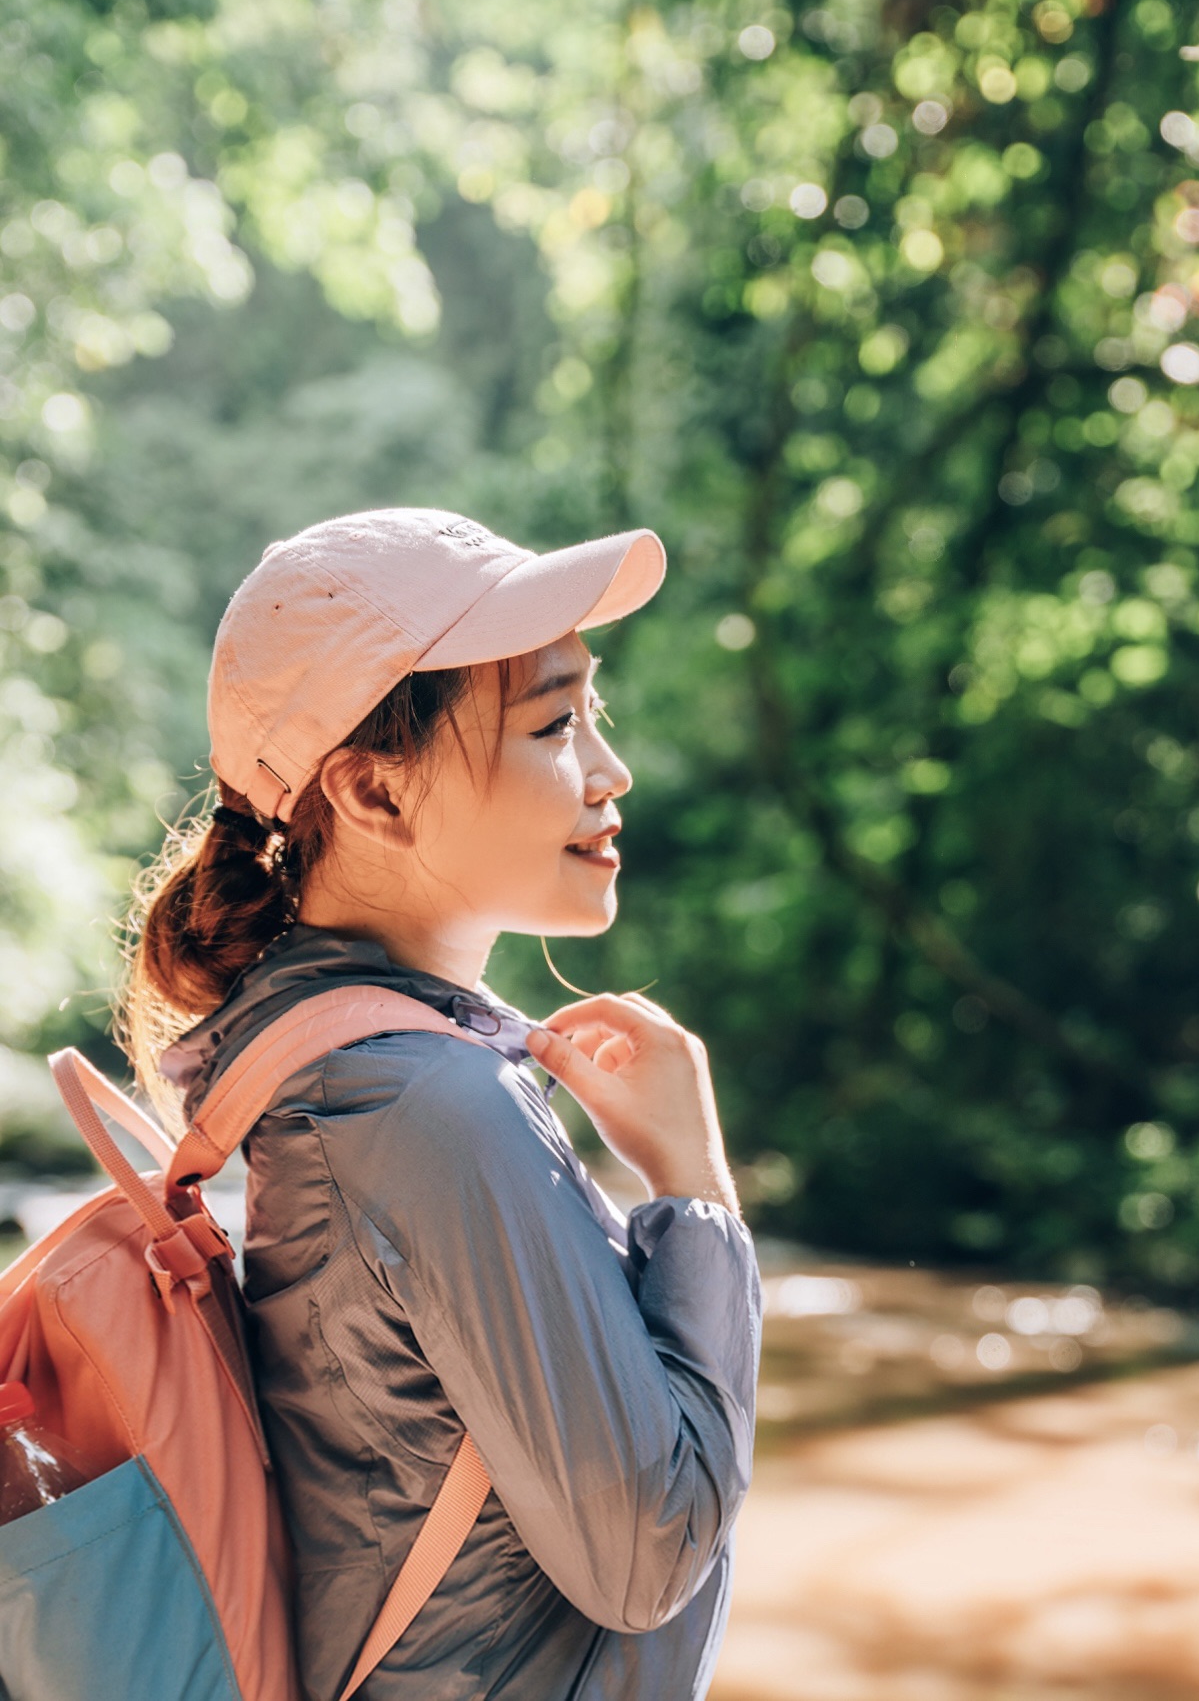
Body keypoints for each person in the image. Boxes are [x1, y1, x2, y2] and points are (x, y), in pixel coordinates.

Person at [113, 508, 763, 1701]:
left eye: (592, 714)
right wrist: (697, 1195)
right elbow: (647, 1554)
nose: (609, 771)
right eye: (554, 722)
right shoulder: (426, 1102)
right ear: (374, 793)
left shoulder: (344, 1061)